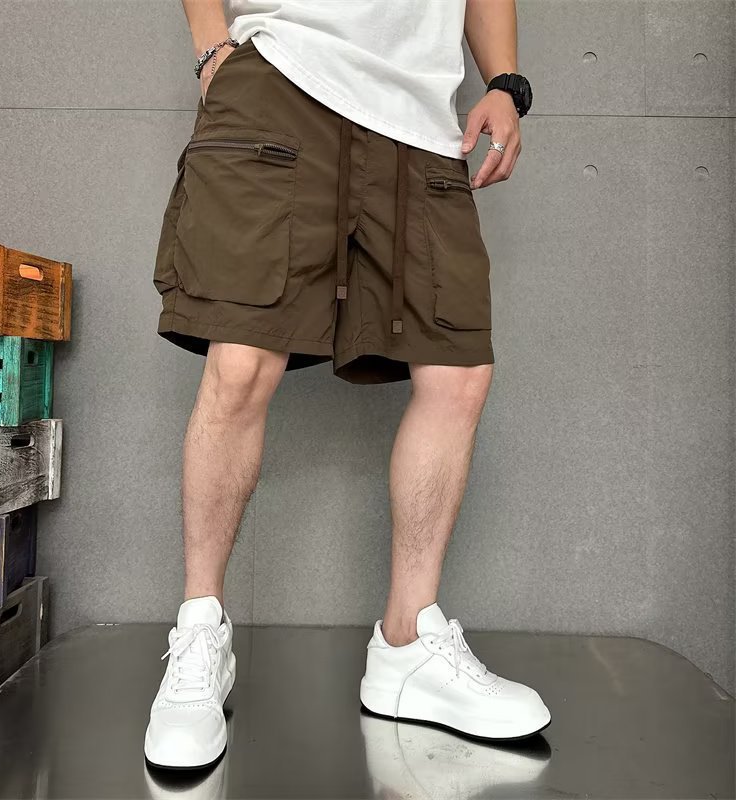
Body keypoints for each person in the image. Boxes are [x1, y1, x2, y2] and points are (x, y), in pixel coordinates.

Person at [145, 0, 546, 770]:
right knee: (241, 361)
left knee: (459, 371)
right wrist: (209, 49)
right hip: (284, 77)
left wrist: (504, 81)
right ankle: (199, 635)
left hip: (421, 113)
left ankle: (407, 646)